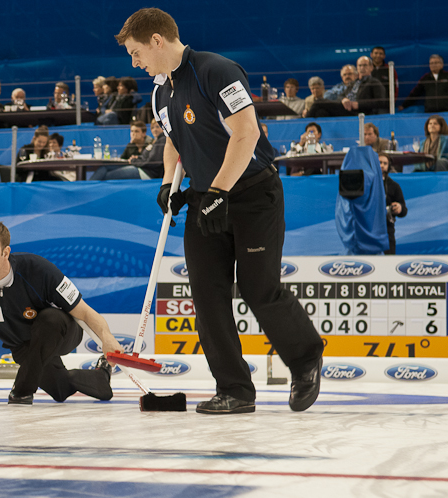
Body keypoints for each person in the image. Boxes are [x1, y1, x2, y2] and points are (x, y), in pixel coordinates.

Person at [116, 8, 324, 414]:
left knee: (258, 288)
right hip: (204, 198)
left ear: (157, 40)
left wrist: (218, 190)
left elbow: (246, 132)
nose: (135, 62)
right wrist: (166, 182)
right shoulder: (161, 91)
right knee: (207, 298)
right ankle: (234, 390)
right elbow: (173, 139)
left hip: (251, 193)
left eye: (136, 52)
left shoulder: (217, 70)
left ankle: (305, 360)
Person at [0, 220, 121, 404]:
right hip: (22, 345)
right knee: (61, 389)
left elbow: (86, 312)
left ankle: (21, 391)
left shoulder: (39, 270)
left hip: (61, 332)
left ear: (5, 253)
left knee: (49, 319)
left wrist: (107, 337)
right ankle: (101, 376)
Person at [90, 118, 166, 181]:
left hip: (146, 172)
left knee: (108, 175)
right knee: (105, 167)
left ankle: (89, 188)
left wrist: (135, 161)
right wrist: (137, 158)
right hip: (140, 167)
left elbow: (152, 162)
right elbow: (126, 158)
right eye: (152, 127)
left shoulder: (161, 140)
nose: (155, 130)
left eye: (157, 127)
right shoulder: (155, 142)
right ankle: (89, 186)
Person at [309, 58, 386, 117]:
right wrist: (343, 99)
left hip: (358, 111)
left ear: (371, 67)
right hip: (345, 108)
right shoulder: (354, 83)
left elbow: (381, 102)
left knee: (318, 102)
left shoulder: (374, 82)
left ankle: (302, 123)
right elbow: (341, 96)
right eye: (360, 65)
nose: (362, 68)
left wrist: (358, 104)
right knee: (321, 113)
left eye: (365, 65)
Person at [378, 153, 407, 255]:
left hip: (387, 229)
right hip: (370, 230)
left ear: (389, 166)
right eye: (379, 162)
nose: (382, 165)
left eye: (385, 163)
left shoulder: (394, 186)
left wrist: (399, 208)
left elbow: (404, 211)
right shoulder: (367, 184)